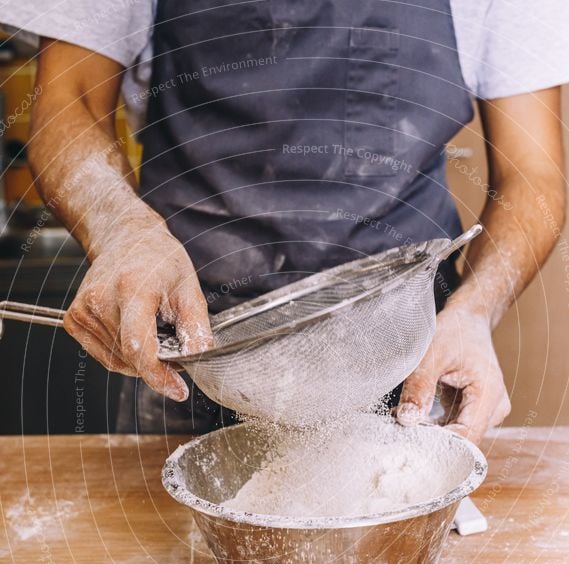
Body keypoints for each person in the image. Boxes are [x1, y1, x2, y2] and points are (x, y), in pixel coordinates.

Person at [2, 1, 567, 441]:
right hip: (196, 349)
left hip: (409, 349)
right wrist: (121, 229)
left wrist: (475, 310)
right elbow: (66, 102)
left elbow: (534, 174)